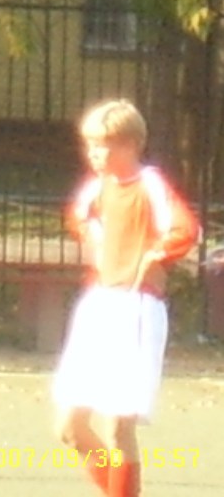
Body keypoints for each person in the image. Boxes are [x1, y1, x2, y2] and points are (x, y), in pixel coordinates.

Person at [52, 99, 199, 497]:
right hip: (98, 305)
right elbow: (78, 216)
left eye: (104, 145)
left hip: (136, 309)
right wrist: (97, 240)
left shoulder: (150, 184)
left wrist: (155, 255)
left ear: (131, 144)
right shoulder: (94, 189)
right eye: (90, 145)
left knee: (119, 426)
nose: (94, 153)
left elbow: (185, 229)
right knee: (70, 428)